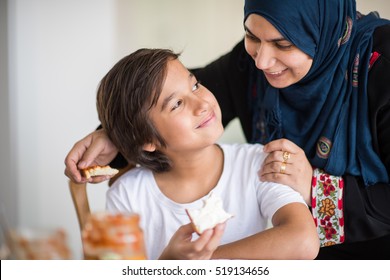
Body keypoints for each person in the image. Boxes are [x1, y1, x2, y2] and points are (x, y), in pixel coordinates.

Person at [65, 0, 390, 259]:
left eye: (283, 44)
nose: (261, 61)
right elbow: (165, 98)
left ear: (324, 32)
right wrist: (112, 133)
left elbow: (300, 242)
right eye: (251, 36)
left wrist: (316, 188)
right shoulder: (249, 64)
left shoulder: (382, 66)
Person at [95, 48, 319, 260]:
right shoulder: (126, 195)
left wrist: (201, 261)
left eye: (195, 85)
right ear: (146, 140)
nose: (201, 103)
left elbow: (304, 241)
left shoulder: (258, 163)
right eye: (177, 104)